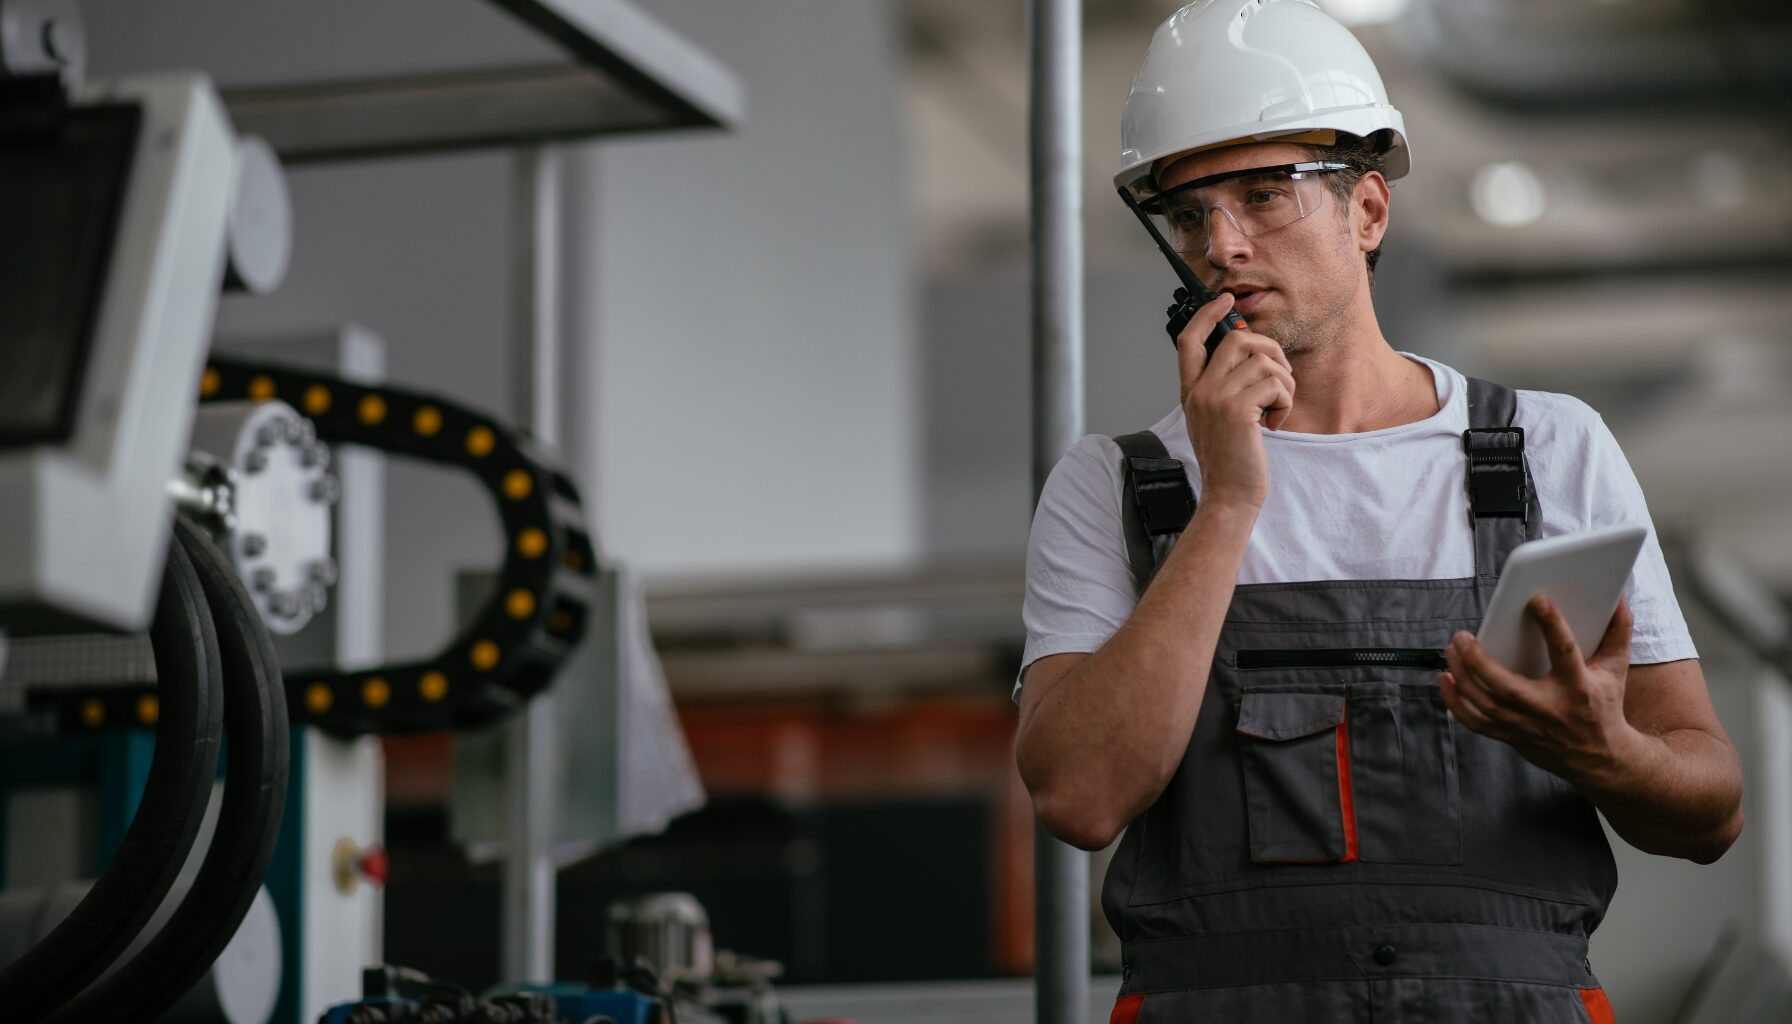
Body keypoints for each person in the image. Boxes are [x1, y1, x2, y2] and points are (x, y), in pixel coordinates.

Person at [1011, 1, 1744, 1021]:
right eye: (1188, 215)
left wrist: (1605, 753)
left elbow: (1712, 805)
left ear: (1366, 212)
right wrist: (1227, 499)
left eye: (1264, 196)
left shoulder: (1545, 451)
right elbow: (1079, 798)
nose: (1220, 245)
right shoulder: (1114, 485)